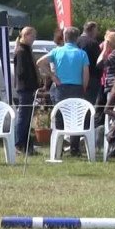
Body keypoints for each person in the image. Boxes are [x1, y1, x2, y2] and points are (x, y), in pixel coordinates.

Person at [37, 27, 89, 157]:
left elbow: (40, 62)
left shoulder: (57, 51)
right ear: (77, 38)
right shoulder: (82, 53)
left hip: (60, 88)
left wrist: (52, 75)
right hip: (77, 88)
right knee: (76, 118)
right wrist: (84, 87)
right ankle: (74, 149)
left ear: (64, 38)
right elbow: (86, 74)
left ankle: (58, 148)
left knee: (59, 118)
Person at [13, 27, 39, 154]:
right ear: (26, 35)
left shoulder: (26, 50)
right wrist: (32, 84)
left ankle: (27, 144)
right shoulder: (21, 51)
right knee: (23, 117)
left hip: (29, 89)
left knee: (27, 118)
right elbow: (22, 72)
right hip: (25, 89)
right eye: (33, 36)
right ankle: (18, 144)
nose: (34, 39)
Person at [77, 21, 100, 105]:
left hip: (77, 77)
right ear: (92, 30)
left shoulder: (76, 41)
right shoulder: (93, 43)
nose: (97, 33)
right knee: (88, 105)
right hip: (92, 77)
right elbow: (98, 61)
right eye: (96, 30)